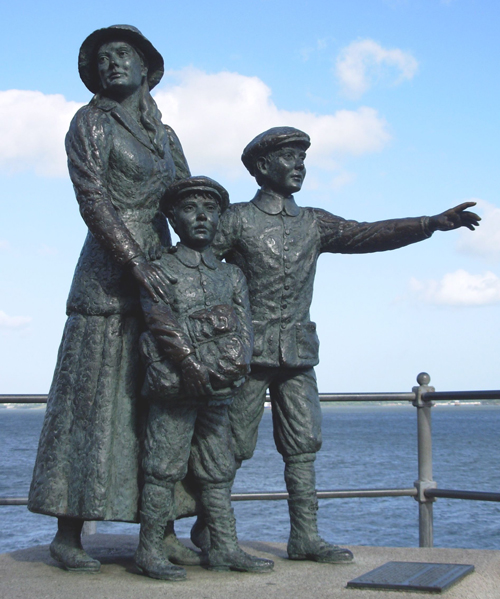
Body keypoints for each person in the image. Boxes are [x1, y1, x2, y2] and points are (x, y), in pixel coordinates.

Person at [196, 126, 480, 563]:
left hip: (298, 353)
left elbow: (367, 234)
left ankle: (304, 537)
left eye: (302, 159)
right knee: (233, 444)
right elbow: (197, 269)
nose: (299, 166)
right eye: (288, 158)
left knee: (304, 442)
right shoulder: (235, 220)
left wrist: (429, 224)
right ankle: (211, 529)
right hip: (246, 355)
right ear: (261, 167)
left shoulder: (314, 222)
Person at [28, 25, 195, 572]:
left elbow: (190, 203)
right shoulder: (90, 122)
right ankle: (68, 531)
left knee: (159, 399)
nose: (112, 63)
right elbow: (93, 199)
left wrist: (210, 262)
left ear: (147, 67)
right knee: (92, 402)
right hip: (107, 275)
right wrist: (134, 261)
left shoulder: (167, 138)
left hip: (163, 273)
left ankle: (162, 527)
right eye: (103, 58)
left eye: (123, 55)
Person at [134, 176, 274, 580]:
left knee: (218, 469)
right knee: (162, 469)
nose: (201, 217)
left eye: (210, 210)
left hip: (218, 390)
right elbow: (160, 321)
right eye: (191, 209)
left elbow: (244, 329)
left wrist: (234, 367)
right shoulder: (159, 269)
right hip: (176, 389)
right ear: (173, 217)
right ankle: (150, 550)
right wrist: (191, 367)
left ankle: (225, 547)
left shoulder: (230, 276)